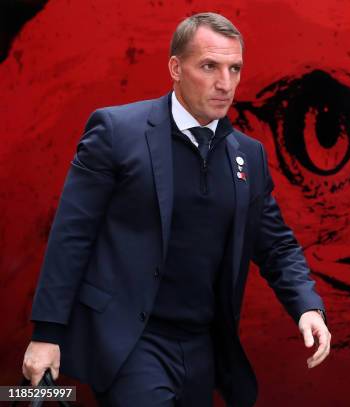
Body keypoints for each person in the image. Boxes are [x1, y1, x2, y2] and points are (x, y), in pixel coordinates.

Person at [21, 12, 330, 407]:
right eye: (209, 66)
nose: (225, 83)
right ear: (175, 68)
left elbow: (276, 246)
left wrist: (308, 307)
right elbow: (72, 234)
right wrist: (48, 333)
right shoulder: (117, 131)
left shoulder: (248, 156)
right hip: (131, 340)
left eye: (234, 68)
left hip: (202, 347)